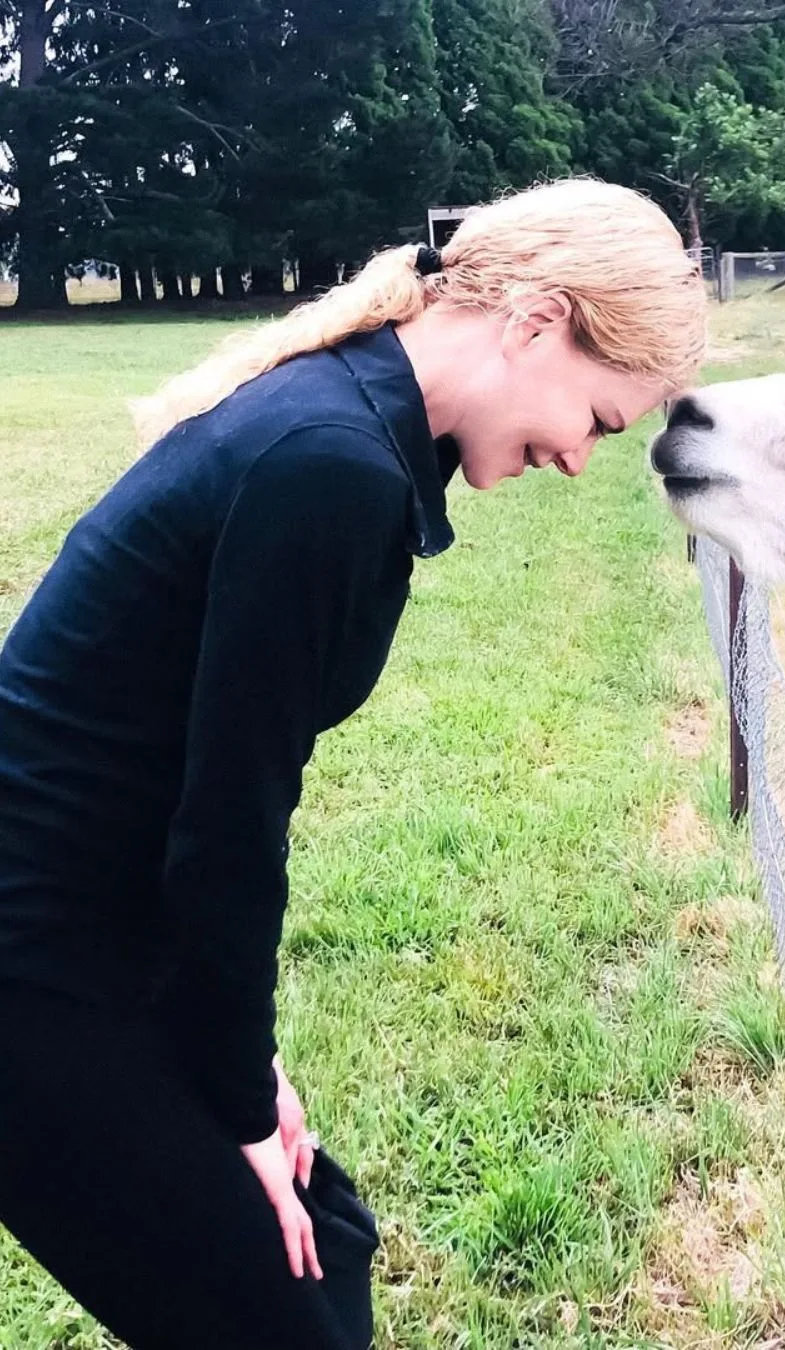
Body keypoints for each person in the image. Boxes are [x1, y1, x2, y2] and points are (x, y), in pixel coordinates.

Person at [0, 178, 706, 1349]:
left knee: (324, 1235)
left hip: (98, 937)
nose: (581, 460)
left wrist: (241, 1064)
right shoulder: (328, 466)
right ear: (535, 322)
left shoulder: (339, 428)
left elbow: (193, 791)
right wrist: (232, 1097)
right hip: (33, 972)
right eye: (601, 418)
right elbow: (230, 824)